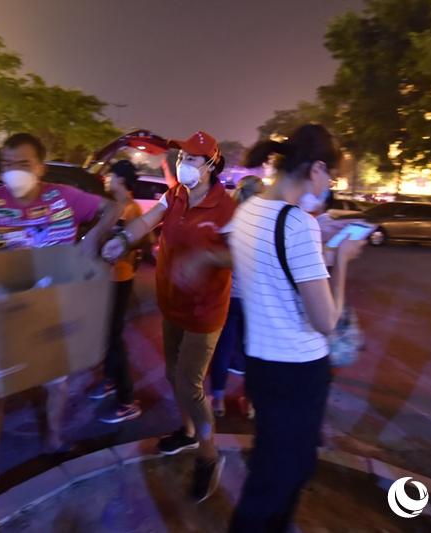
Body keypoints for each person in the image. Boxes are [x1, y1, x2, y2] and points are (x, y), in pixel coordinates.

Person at [0, 132, 120, 495]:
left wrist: (92, 240)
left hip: (53, 309)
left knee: (56, 383)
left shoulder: (64, 197)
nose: (14, 171)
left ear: (40, 167)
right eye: (8, 164)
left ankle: (54, 438)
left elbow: (111, 208)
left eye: (23, 164)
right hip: (5, 312)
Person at [219, 124, 364, 531]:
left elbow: (272, 275)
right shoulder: (298, 224)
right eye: (330, 174)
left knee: (282, 465)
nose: (330, 183)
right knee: (277, 479)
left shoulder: (247, 211)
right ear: (316, 168)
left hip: (262, 365)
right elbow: (325, 320)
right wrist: (343, 259)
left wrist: (319, 244)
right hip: (298, 370)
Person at [102, 131, 236, 502]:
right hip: (172, 304)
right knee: (172, 375)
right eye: (183, 157)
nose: (184, 163)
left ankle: (209, 456)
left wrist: (207, 258)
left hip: (205, 313)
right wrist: (123, 240)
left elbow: (242, 256)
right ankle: (189, 431)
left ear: (210, 165)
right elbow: (147, 222)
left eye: (193, 159)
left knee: (190, 385)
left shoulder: (228, 209)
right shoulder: (175, 194)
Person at [87, 160, 143, 424]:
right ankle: (110, 381)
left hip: (119, 279)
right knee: (105, 335)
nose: (108, 180)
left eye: (111, 176)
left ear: (120, 179)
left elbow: (140, 241)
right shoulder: (118, 206)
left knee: (113, 338)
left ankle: (127, 400)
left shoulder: (129, 208)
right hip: (110, 278)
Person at [208, 175, 263, 419]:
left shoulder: (230, 221)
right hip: (255, 298)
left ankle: (218, 398)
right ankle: (250, 401)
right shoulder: (266, 223)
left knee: (223, 346)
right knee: (254, 350)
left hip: (229, 295)